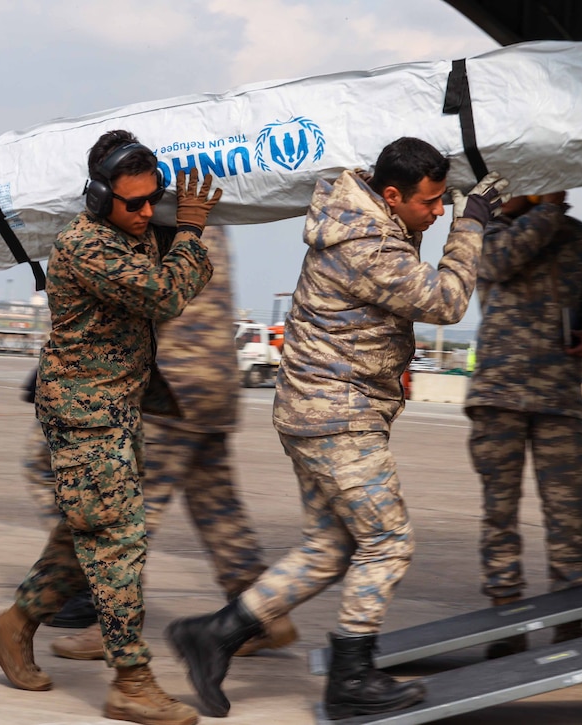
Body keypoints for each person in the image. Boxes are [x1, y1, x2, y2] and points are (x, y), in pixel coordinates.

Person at [165, 136, 508, 720]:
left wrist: (445, 190)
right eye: (431, 201)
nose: (439, 209)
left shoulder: (364, 216)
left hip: (317, 412)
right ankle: (350, 678)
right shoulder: (366, 246)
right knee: (389, 542)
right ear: (392, 195)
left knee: (329, 549)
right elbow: (446, 300)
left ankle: (216, 634)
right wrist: (471, 224)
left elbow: (408, 226)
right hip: (336, 419)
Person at [0, 129, 216, 725]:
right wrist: (187, 231)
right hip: (85, 417)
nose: (143, 213)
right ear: (96, 197)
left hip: (116, 409)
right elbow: (165, 295)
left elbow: (177, 282)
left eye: (150, 201)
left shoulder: (128, 235)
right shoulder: (89, 247)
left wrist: (174, 234)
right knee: (117, 543)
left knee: (82, 537)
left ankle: (11, 627)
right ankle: (132, 681)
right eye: (130, 203)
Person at [23, 226, 297, 659]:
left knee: (119, 510)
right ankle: (264, 615)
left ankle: (108, 622)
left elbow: (141, 295)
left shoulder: (155, 215)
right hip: (214, 381)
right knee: (218, 511)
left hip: (170, 383)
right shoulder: (210, 214)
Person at [465, 191, 582, 658]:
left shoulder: (581, 240)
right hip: (499, 395)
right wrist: (545, 210)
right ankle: (506, 616)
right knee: (500, 515)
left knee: (568, 516)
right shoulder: (489, 231)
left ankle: (569, 621)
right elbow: (496, 265)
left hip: (558, 398)